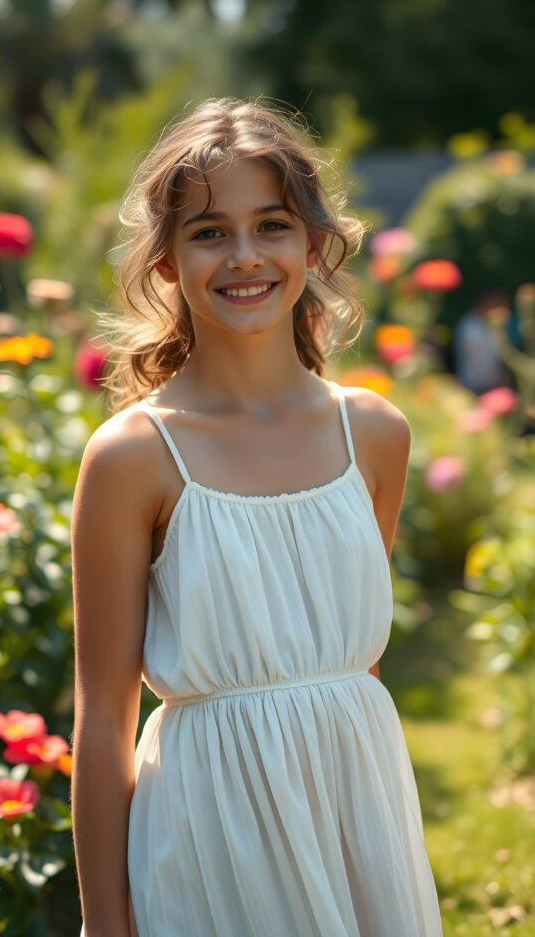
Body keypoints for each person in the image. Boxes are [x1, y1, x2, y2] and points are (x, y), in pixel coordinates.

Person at [71, 97, 443, 937]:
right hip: (211, 835)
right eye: (208, 232)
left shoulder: (373, 435)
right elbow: (102, 719)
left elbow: (352, 665)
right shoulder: (133, 456)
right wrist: (104, 925)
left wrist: (369, 841)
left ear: (311, 244)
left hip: (358, 813)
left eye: (270, 225)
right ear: (166, 261)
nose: (244, 256)